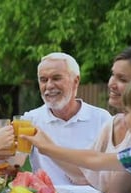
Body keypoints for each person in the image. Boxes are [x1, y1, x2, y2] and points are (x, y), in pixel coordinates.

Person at [61, 47, 131, 193]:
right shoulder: (114, 123)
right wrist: (42, 144)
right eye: (113, 75)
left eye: (122, 79)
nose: (111, 84)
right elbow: (83, 173)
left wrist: (47, 146)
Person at [20, 52, 112, 184]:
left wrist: (48, 148)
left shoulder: (101, 119)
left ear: (76, 81)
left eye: (56, 78)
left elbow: (107, 175)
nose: (49, 85)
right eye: (43, 80)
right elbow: (15, 161)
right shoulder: (30, 120)